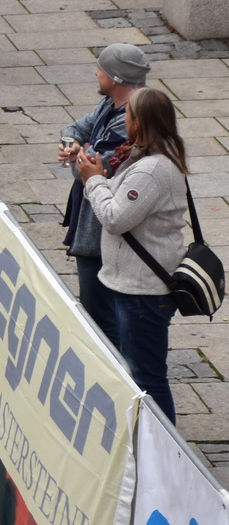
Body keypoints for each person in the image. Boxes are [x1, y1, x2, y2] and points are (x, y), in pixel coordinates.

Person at [78, 86, 192, 421]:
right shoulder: (142, 157)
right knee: (139, 371)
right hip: (130, 284)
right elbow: (118, 200)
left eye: (127, 114)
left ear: (139, 122)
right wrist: (98, 176)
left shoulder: (151, 169)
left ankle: (166, 452)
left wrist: (93, 181)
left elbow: (114, 218)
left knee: (147, 377)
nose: (122, 119)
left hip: (142, 292)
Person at [58, 44, 149, 342]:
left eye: (100, 68)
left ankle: (119, 376)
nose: (96, 72)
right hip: (95, 221)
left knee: (100, 316)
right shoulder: (110, 105)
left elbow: (91, 172)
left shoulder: (127, 122)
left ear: (115, 77)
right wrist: (73, 144)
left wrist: (81, 160)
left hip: (101, 230)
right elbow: (77, 128)